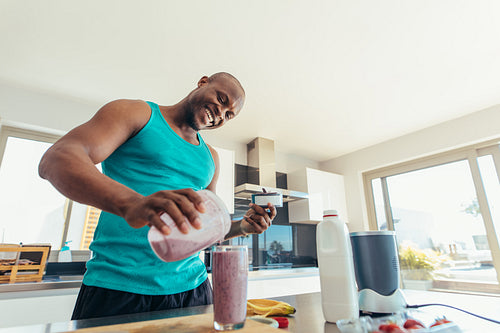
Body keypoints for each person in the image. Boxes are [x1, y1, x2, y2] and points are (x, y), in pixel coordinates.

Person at [38, 72, 277, 320]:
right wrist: (132, 204)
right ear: (203, 82)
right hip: (118, 287)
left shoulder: (211, 158)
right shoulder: (137, 114)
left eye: (228, 115)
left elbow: (203, 229)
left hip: (193, 290)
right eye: (221, 98)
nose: (220, 113)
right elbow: (57, 159)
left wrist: (243, 227)